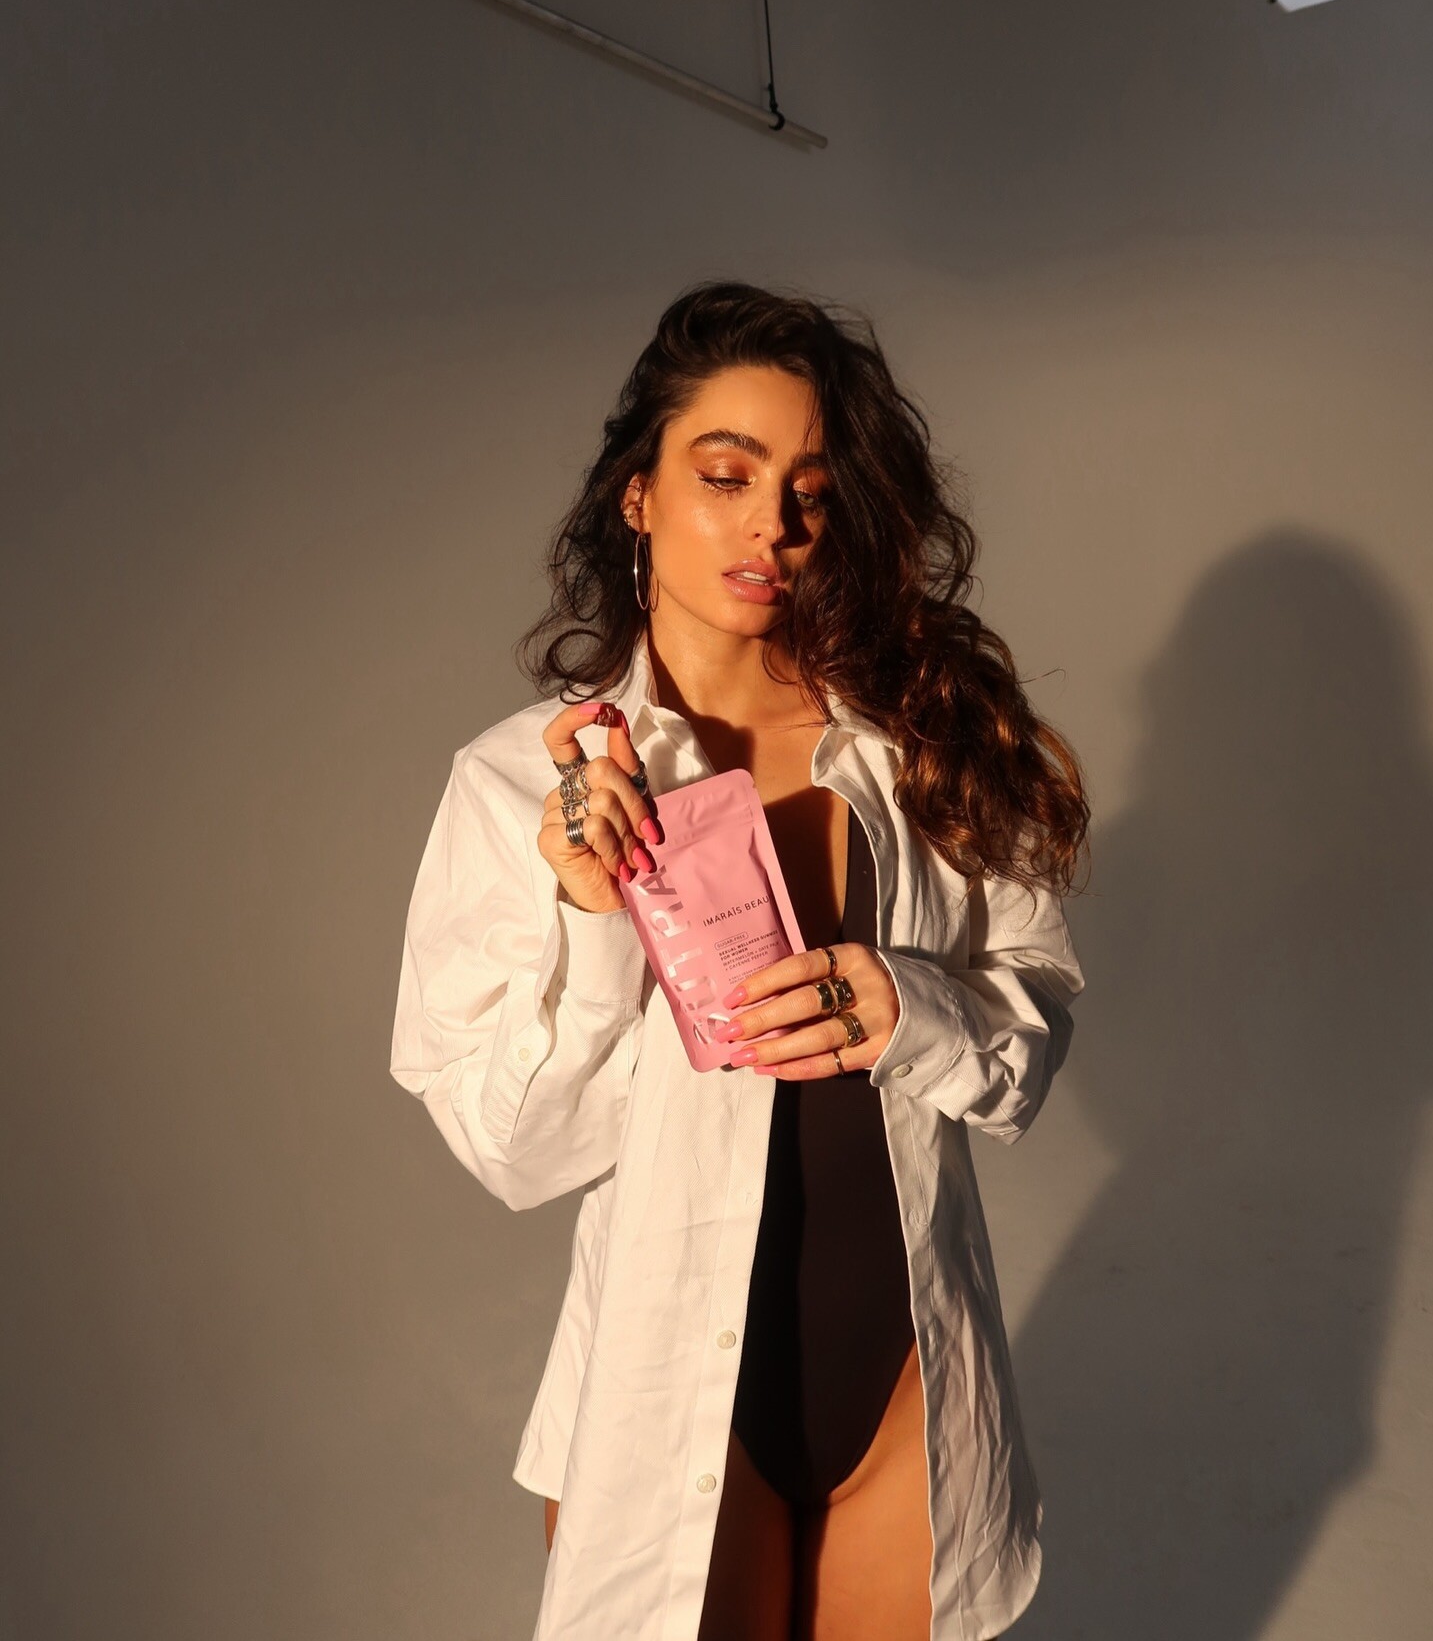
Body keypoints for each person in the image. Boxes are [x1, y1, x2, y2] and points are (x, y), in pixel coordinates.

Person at [389, 280, 1090, 1641]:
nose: (772, 523)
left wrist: (914, 1006)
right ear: (638, 496)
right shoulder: (516, 785)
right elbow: (518, 1153)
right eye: (726, 476)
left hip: (904, 1375)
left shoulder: (918, 748)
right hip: (668, 1396)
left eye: (809, 491)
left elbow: (1031, 1025)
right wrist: (595, 916)